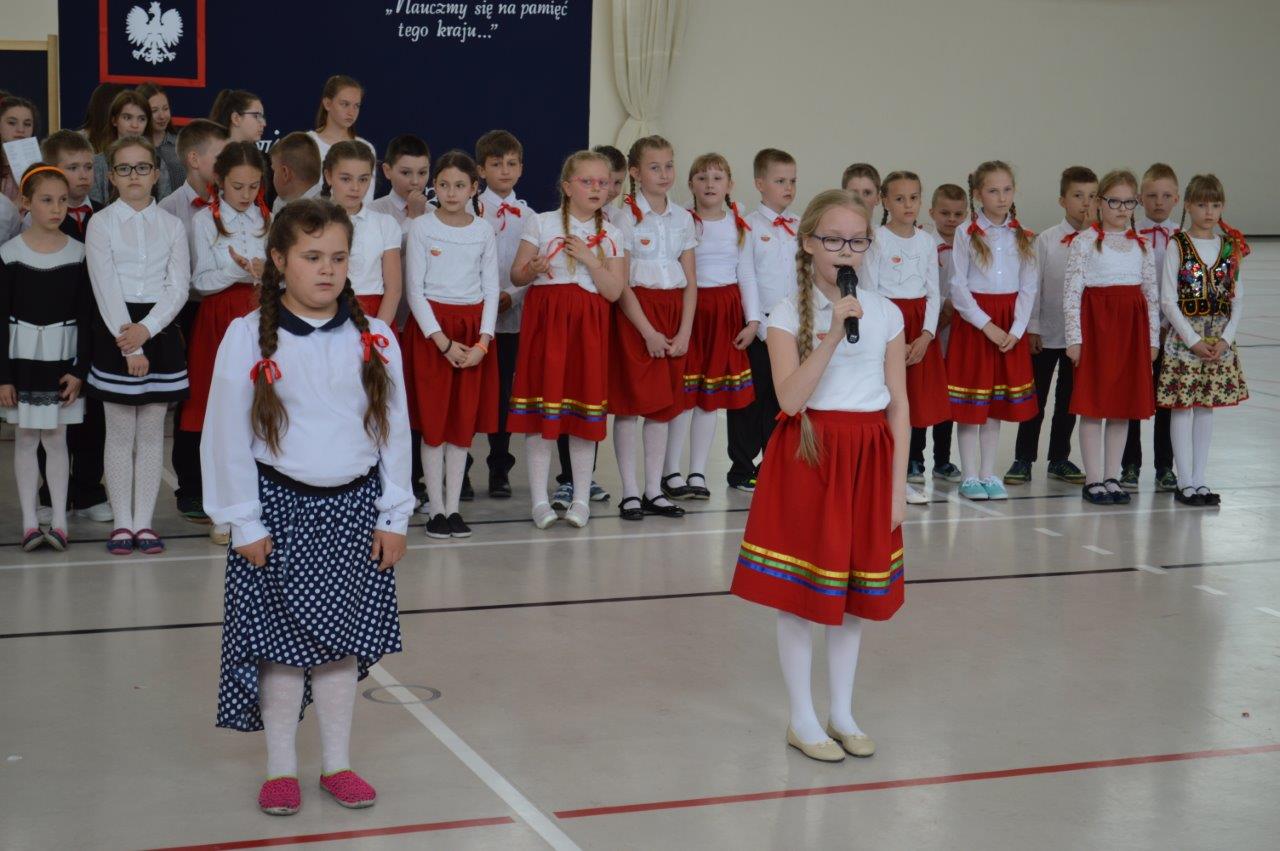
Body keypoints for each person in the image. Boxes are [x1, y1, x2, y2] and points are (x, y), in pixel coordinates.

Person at [204, 199, 411, 816]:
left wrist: (394, 514)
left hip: (354, 513)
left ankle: (337, 764)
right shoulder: (246, 337)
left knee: (340, 646)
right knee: (281, 649)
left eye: (338, 258)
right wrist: (243, 519)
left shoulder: (376, 338)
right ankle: (280, 769)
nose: (327, 270)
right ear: (278, 260)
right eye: (312, 256)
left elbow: (395, 431)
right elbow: (225, 433)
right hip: (277, 513)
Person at [730, 189, 907, 762]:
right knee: (801, 595)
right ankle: (802, 718)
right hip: (809, 455)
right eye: (833, 240)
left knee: (853, 595)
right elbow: (789, 399)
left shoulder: (887, 313)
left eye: (857, 241)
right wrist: (832, 332)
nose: (845, 251)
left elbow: (899, 406)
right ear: (808, 243)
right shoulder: (785, 313)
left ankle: (843, 712)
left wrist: (897, 487)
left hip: (867, 456)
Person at [507, 150, 626, 528]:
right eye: (586, 181)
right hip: (547, 326)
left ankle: (580, 498)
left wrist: (590, 259)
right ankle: (540, 501)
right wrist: (533, 268)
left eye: (602, 182)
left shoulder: (613, 234)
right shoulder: (541, 223)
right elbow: (516, 275)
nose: (596, 188)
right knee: (543, 411)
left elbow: (613, 291)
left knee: (582, 414)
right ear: (567, 187)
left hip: (588, 329)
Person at [84, 137, 190, 554]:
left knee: (150, 435)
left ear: (156, 173)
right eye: (124, 169)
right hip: (117, 329)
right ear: (111, 176)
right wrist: (131, 345)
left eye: (142, 168)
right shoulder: (101, 223)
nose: (134, 176)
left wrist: (147, 331)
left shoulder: (172, 226)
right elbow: (105, 285)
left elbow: (178, 287)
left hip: (156, 330)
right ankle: (121, 523)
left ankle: (144, 523)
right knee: (118, 434)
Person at [402, 151, 498, 538]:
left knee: (461, 425)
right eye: (444, 185)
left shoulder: (483, 231)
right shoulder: (421, 228)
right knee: (433, 425)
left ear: (474, 188)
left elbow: (491, 289)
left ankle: (454, 508)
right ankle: (435, 510)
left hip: (472, 332)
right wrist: (441, 342)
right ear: (434, 187)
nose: (452, 192)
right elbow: (414, 290)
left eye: (460, 185)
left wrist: (483, 342)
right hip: (433, 334)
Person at [182, 142, 273, 543]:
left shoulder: (269, 218)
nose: (246, 194)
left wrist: (267, 272)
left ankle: (256, 505)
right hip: (219, 320)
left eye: (253, 186)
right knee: (218, 413)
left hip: (261, 317)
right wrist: (238, 272)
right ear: (219, 181)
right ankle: (220, 509)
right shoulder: (205, 220)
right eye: (238, 186)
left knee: (260, 411)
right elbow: (199, 282)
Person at [1, 164, 94, 551]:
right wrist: (3, 376)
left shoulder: (79, 253)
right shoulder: (9, 254)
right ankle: (28, 521)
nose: (56, 209)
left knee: (57, 439)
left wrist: (79, 369)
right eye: (46, 200)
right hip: (22, 358)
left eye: (62, 200)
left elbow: (87, 317)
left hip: (62, 358)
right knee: (25, 438)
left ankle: (59, 521)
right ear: (26, 202)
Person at [611, 136, 698, 520]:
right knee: (631, 405)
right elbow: (622, 284)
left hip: (673, 313)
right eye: (654, 167)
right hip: (637, 315)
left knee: (663, 406)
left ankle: (653, 490)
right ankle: (630, 491)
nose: (664, 174)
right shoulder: (624, 217)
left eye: (668, 165)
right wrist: (647, 331)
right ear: (635, 172)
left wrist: (685, 331)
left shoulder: (682, 218)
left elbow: (691, 282)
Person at [1064, 169, 1159, 505]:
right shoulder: (1084, 242)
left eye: (1129, 202)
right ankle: (1093, 479)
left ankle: (1112, 476)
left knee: (1121, 407)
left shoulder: (1142, 245)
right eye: (1115, 201)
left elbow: (1151, 294)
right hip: (1097, 331)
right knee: (1093, 407)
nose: (1122, 208)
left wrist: (1152, 340)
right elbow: (1072, 293)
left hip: (1130, 333)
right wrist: (1074, 338)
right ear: (1100, 202)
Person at [665, 152, 757, 499]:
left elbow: (746, 273)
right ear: (691, 184)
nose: (709, 184)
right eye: (702, 178)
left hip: (725, 313)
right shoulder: (682, 221)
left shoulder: (738, 223)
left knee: (709, 399)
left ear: (729, 185)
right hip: (690, 310)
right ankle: (670, 471)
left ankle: (698, 472)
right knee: (683, 396)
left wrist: (752, 319)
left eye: (717, 178)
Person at [947, 160, 1039, 500]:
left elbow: (1029, 286)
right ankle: (969, 475)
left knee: (995, 407)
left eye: (1007, 190)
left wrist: (1016, 329)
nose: (1001, 198)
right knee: (972, 405)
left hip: (1008, 324)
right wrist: (987, 326)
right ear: (978, 195)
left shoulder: (1023, 235)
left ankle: (988, 473)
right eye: (993, 191)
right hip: (976, 325)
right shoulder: (965, 233)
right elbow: (958, 286)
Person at [1158, 174, 1249, 506]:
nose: (1208, 211)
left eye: (1215, 204)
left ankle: (1200, 479)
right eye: (1201, 204)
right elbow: (1168, 300)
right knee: (1183, 406)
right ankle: (1184, 481)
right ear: (1188, 206)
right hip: (1186, 339)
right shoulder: (1177, 245)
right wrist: (1193, 339)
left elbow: (1237, 297)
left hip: (1218, 339)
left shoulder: (1229, 247)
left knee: (1206, 406)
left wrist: (1226, 339)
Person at [1005, 166, 1096, 486]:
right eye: (1078, 195)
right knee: (1036, 398)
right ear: (1062, 200)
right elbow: (1033, 286)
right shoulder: (1045, 240)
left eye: (1092, 196)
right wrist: (1033, 327)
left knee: (1069, 401)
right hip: (1045, 333)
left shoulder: (1100, 241)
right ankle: (1023, 458)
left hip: (1079, 337)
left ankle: (1059, 458)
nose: (1086, 203)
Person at [863, 170, 948, 506]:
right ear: (885, 201)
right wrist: (891, 338)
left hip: (918, 329)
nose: (908, 205)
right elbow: (870, 290)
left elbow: (933, 293)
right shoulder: (876, 238)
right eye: (899, 199)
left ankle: (899, 479)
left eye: (913, 198)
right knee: (886, 403)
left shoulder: (927, 242)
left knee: (908, 406)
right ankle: (877, 476)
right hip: (887, 324)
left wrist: (926, 335)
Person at [727, 148, 798, 490]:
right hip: (759, 326)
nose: (788, 187)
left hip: (791, 326)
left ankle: (773, 462)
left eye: (793, 181)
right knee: (750, 399)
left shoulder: (799, 225)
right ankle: (741, 467)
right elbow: (747, 276)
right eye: (780, 181)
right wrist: (757, 323)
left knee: (781, 398)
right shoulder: (749, 225)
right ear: (759, 184)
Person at [476, 129, 531, 498]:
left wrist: (513, 295)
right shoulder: (469, 210)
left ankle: (499, 467)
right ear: (481, 170)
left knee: (503, 394)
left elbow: (536, 268)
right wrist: (482, 299)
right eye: (496, 164)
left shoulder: (531, 216)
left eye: (512, 164)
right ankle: (461, 467)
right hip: (474, 315)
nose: (505, 171)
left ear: (521, 168)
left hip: (512, 317)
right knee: (468, 391)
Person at [1121, 163, 1183, 492]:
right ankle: (1130, 464)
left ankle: (1165, 466)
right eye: (1152, 195)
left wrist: (1167, 324)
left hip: (1172, 332)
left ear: (1177, 198)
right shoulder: (1129, 234)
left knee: (1166, 402)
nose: (1159, 202)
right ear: (1140, 199)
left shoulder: (1183, 238)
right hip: (1136, 330)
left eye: (1166, 195)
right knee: (1132, 397)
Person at [321, 142, 401, 325]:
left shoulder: (385, 224)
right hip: (324, 310)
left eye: (363, 179)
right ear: (328, 176)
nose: (355, 188)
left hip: (374, 315)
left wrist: (377, 332)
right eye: (346, 179)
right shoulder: (312, 222)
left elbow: (394, 289)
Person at [309, 76, 378, 207]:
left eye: (356, 106)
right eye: (345, 104)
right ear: (327, 104)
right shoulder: (308, 143)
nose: (351, 112)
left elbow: (367, 200)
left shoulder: (365, 147)